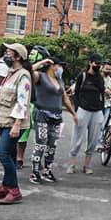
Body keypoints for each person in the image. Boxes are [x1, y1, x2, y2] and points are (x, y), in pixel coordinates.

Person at [0, 42, 32, 204]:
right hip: (4, 121)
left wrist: (17, 124)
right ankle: (5, 187)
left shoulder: (23, 75)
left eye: (9, 52)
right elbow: (2, 100)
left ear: (18, 57)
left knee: (2, 154)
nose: (6, 55)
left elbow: (22, 101)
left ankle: (14, 190)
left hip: (14, 123)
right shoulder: (10, 74)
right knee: (9, 155)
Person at [28, 53, 78, 184]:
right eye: (58, 66)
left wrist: (73, 113)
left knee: (52, 145)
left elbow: (64, 98)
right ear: (52, 66)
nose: (60, 69)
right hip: (42, 114)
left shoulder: (60, 80)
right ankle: (34, 171)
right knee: (41, 143)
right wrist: (42, 62)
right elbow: (28, 71)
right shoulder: (41, 77)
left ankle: (47, 170)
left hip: (56, 115)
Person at [67, 53, 106, 175]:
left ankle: (87, 165)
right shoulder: (82, 76)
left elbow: (102, 94)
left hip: (97, 111)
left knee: (93, 140)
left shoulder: (100, 78)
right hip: (83, 109)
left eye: (99, 64)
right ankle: (72, 164)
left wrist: (102, 111)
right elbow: (76, 93)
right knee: (77, 138)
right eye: (96, 63)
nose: (97, 66)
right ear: (90, 62)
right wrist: (77, 110)